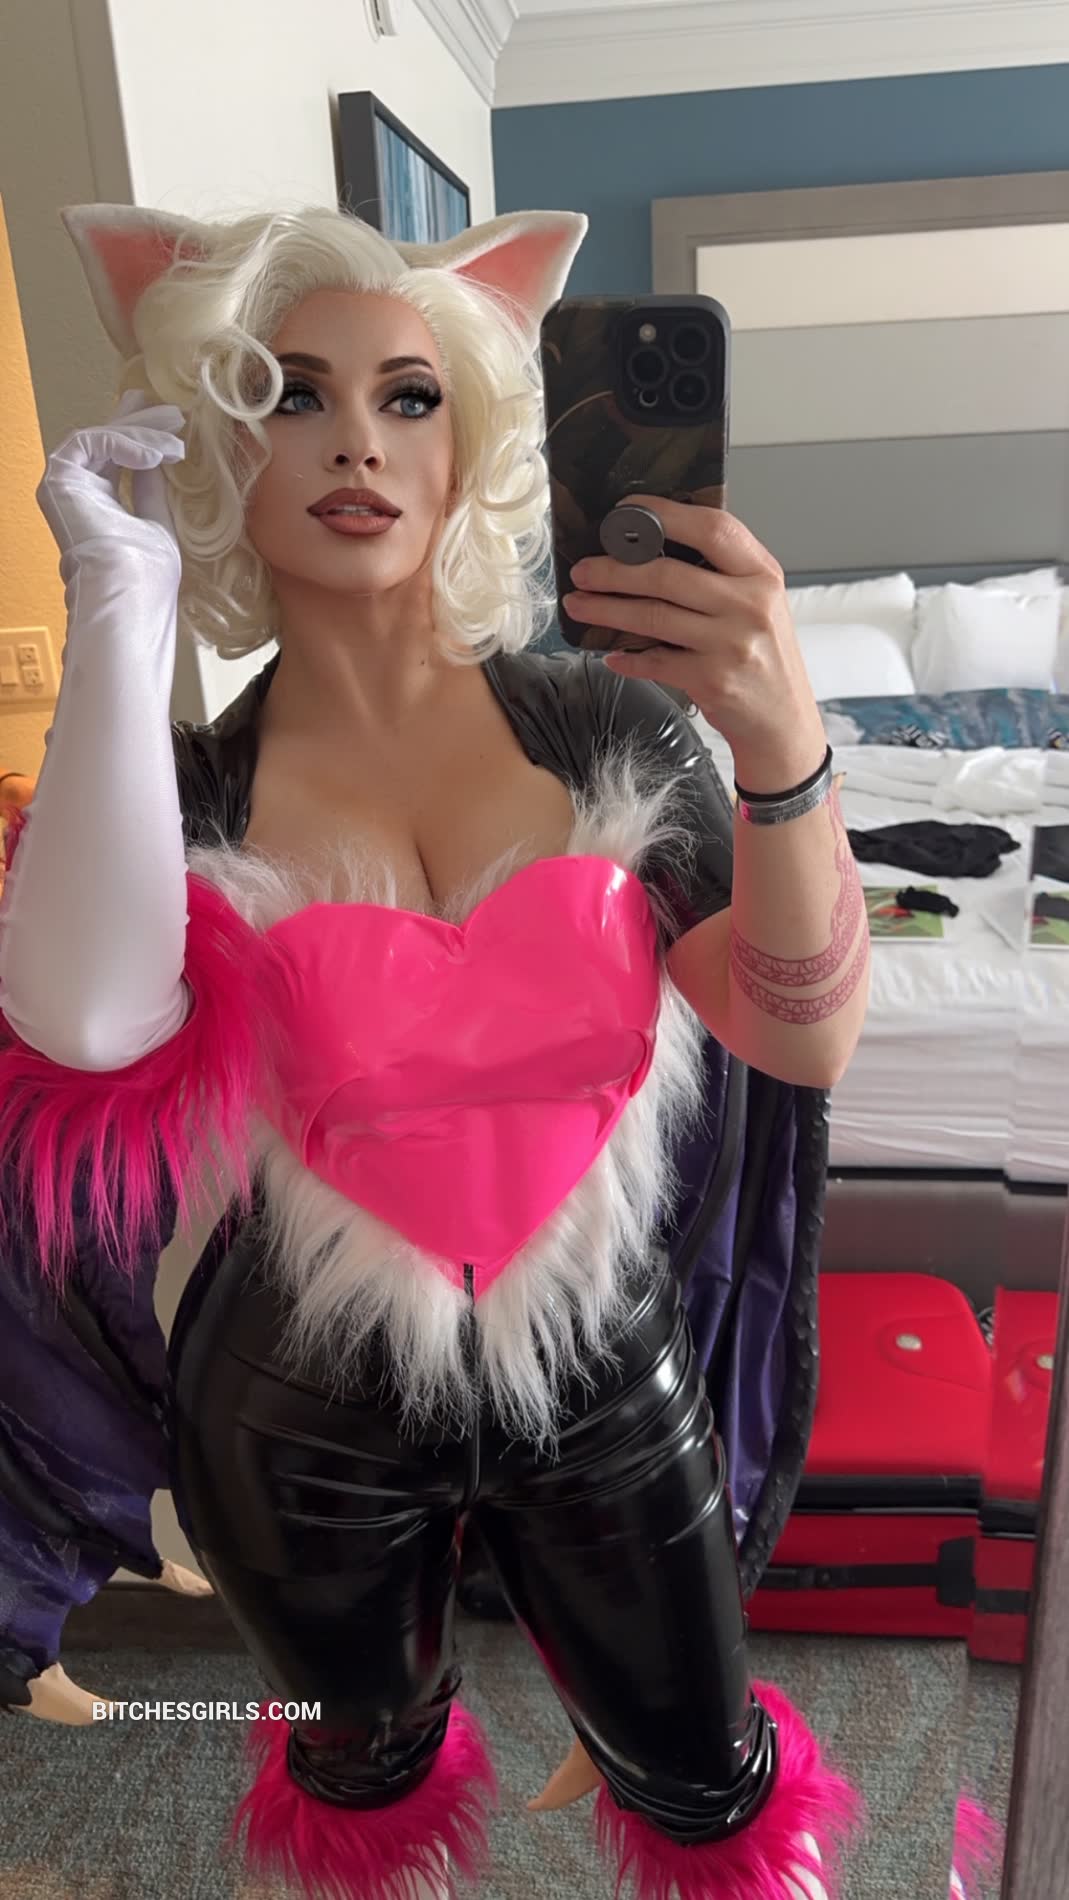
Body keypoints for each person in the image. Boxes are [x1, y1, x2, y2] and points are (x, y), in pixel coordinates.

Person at [0, 200, 873, 1900]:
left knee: (708, 1776)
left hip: (599, 1366)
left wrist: (782, 750)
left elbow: (798, 1029)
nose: (356, 441)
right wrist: (119, 602)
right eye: (288, 394)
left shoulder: (614, 732)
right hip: (296, 1403)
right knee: (364, 1773)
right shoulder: (183, 797)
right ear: (214, 438)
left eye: (407, 395)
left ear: (467, 437)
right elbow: (86, 1030)